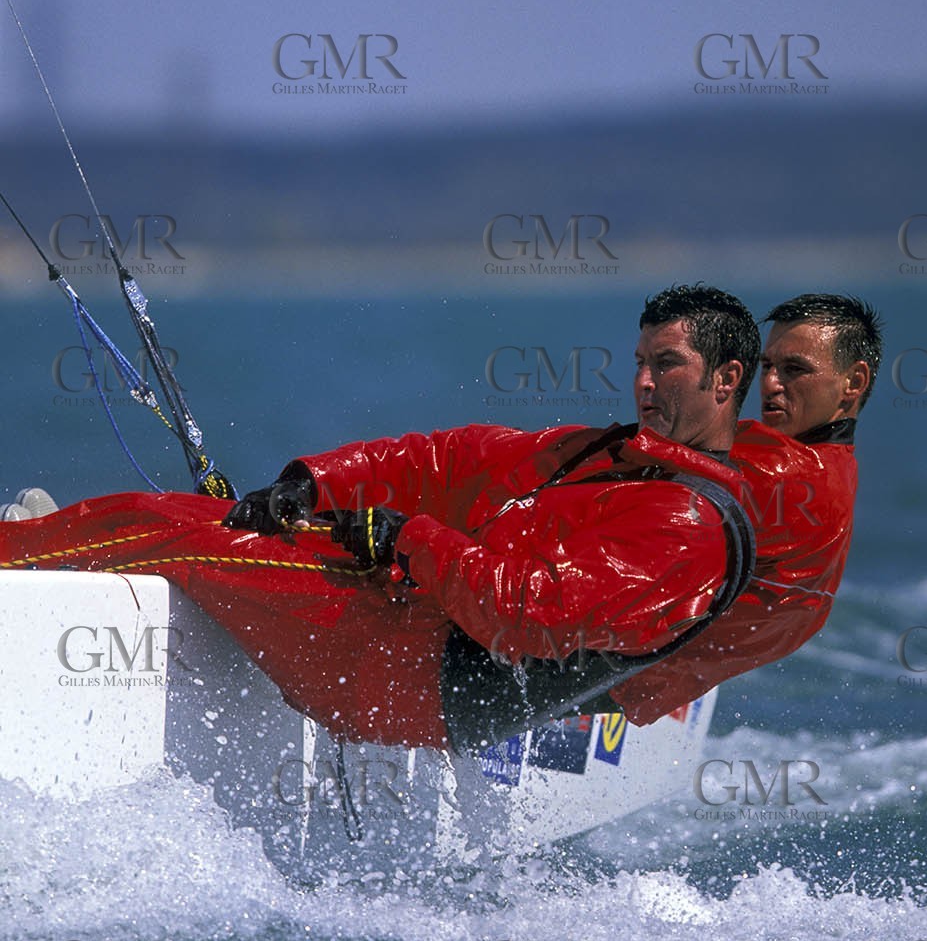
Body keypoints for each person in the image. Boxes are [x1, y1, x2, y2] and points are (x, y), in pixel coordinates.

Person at [0, 286, 771, 748]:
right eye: (639, 362)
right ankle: (41, 546)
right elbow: (449, 462)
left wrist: (405, 535)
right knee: (211, 517)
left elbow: (522, 617)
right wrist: (312, 485)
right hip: (398, 623)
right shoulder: (613, 454)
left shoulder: (685, 525)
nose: (643, 383)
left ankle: (22, 553)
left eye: (666, 365)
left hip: (403, 680)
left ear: (726, 379)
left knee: (164, 524)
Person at [609, 292, 881, 723]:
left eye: (794, 370)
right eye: (767, 366)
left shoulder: (782, 476)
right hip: (657, 681)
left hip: (607, 670)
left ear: (854, 382)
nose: (770, 384)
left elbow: (630, 490)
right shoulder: (830, 466)